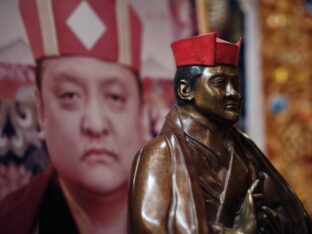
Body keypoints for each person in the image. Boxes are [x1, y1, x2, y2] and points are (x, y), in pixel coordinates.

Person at [128, 32, 312, 234]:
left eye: (236, 84)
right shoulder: (162, 154)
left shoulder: (247, 156)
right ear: (185, 90)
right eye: (219, 83)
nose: (233, 93)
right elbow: (149, 228)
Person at [0, 0, 145, 233]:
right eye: (69, 95)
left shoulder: (188, 214)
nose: (95, 124)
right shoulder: (11, 223)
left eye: (115, 97)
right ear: (42, 112)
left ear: (142, 114)